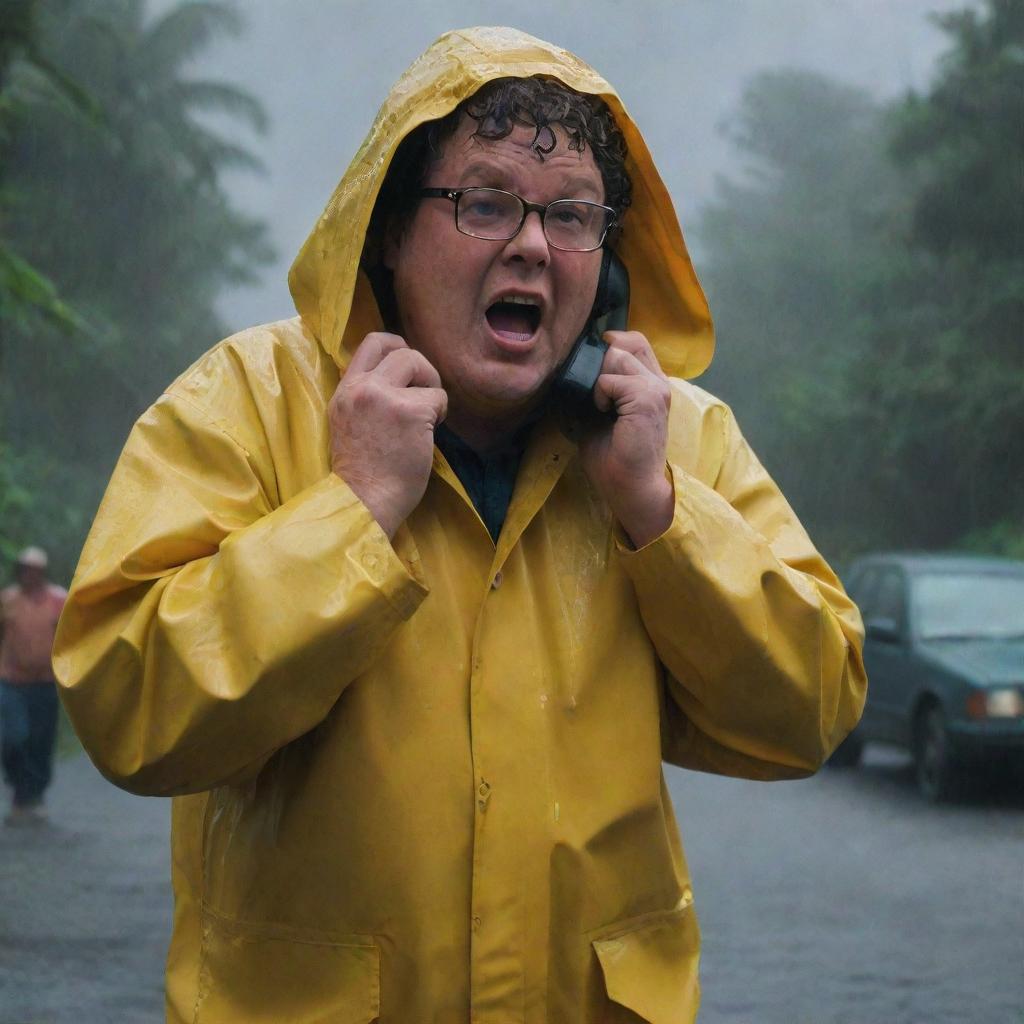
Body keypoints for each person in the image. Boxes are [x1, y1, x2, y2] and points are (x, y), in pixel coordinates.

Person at [53, 27, 866, 1023]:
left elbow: (813, 707)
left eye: (571, 216)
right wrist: (351, 512)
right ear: (387, 233)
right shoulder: (245, 404)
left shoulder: (672, 437)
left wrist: (658, 515)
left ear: (605, 265)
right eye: (483, 203)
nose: (531, 243)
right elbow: (126, 712)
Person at [1, 546, 66, 825]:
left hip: (46, 682)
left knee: (41, 740)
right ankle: (19, 791)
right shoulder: (8, 600)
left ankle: (35, 795)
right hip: (11, 681)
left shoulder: (58, 600)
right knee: (14, 736)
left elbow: (69, 639)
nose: (30, 574)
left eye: (35, 570)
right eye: (26, 569)